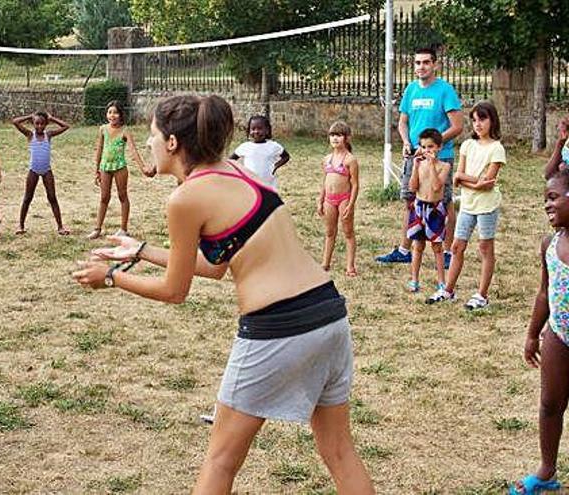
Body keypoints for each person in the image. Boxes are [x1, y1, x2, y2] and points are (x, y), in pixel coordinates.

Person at [72, 95, 373, 494]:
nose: (148, 144)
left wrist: (111, 277)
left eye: (152, 135)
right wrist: (142, 250)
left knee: (220, 460)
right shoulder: (240, 171)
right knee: (338, 450)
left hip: (277, 327)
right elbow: (216, 265)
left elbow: (174, 292)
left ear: (174, 143)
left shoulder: (185, 198)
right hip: (329, 314)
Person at [376, 46, 463, 269]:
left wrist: (431, 146)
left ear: (435, 65)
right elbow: (403, 122)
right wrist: (407, 142)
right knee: (410, 202)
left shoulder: (445, 90)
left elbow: (457, 126)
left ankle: (446, 252)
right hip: (414, 157)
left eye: (426, 62)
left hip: (439, 157)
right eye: (417, 63)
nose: (421, 67)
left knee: (444, 203)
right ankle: (405, 250)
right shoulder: (411, 90)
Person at [511, 169, 569, 495]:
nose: (547, 205)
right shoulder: (550, 243)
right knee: (549, 404)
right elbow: (545, 293)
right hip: (559, 335)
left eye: (553, 197)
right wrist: (533, 334)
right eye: (545, 199)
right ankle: (546, 470)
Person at [427, 102, 505, 309]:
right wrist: (473, 180)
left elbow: (488, 183)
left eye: (482, 119)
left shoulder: (496, 149)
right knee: (457, 246)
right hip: (468, 204)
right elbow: (457, 177)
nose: (478, 124)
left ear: (492, 121)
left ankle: (482, 294)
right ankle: (448, 289)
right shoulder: (467, 146)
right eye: (474, 120)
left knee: (485, 248)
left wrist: (469, 179)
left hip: (486, 206)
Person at [88, 100, 155, 239]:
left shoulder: (125, 131)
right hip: (105, 167)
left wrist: (143, 167)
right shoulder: (103, 129)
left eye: (115, 112)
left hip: (120, 167)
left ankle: (123, 229)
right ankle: (97, 228)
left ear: (121, 115)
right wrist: (97, 169)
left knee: (122, 196)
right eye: (110, 112)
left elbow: (133, 151)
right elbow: (99, 149)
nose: (112, 115)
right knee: (104, 197)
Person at [406, 129, 451, 293]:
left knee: (437, 246)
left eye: (430, 147)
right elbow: (412, 187)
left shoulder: (444, 166)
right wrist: (414, 168)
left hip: (435, 209)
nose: (427, 151)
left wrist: (431, 164)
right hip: (419, 206)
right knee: (417, 245)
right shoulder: (419, 165)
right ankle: (414, 279)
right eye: (423, 147)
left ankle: (441, 281)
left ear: (439, 147)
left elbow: (437, 186)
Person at [12, 111, 70, 235]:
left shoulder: (48, 135)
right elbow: (15, 122)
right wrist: (29, 116)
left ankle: (60, 226)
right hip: (33, 170)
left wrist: (52, 118)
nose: (39, 126)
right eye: (36, 123)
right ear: (33, 124)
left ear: (46, 124)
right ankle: (20, 226)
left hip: (46, 171)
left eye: (42, 124)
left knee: (52, 197)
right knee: (27, 198)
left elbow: (66, 126)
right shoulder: (29, 135)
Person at [317, 121, 359, 277]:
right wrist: (320, 200)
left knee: (348, 232)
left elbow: (355, 185)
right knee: (329, 232)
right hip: (329, 199)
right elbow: (325, 181)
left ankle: (350, 266)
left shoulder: (350, 160)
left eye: (339, 135)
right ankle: (325, 263)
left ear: (347, 138)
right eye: (332, 135)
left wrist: (351, 204)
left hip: (344, 199)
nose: (335, 138)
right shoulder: (326, 159)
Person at [229, 114, 290, 190]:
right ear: (249, 131)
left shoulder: (273, 146)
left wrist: (275, 166)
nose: (256, 132)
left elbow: (286, 156)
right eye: (253, 129)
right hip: (251, 185)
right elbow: (231, 160)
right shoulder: (245, 146)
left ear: (267, 130)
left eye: (260, 129)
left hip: (269, 185)